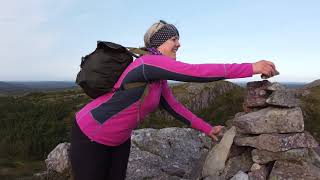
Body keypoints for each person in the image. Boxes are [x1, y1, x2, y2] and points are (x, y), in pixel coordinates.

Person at [70, 20, 276, 180]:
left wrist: (207, 128)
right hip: (90, 134)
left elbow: (173, 107)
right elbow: (197, 72)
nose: (179, 43)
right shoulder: (146, 64)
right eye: (174, 39)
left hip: (119, 140)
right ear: (159, 42)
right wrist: (251, 67)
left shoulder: (156, 76)